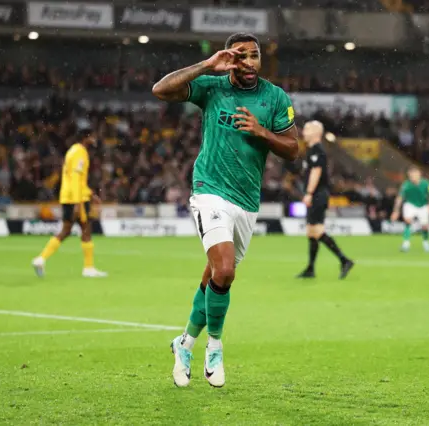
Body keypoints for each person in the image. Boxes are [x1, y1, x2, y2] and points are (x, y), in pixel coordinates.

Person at [152, 32, 299, 388]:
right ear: (230, 58)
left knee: (214, 278)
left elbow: (293, 149)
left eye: (255, 56)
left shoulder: (275, 98)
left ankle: (184, 342)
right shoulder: (212, 87)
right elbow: (161, 89)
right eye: (241, 56)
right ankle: (214, 346)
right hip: (210, 191)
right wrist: (206, 64)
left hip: (246, 202)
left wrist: (261, 132)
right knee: (226, 271)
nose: (249, 63)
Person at [32, 129, 107, 278]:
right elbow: (75, 178)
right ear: (86, 138)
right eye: (92, 136)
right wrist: (78, 204)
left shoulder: (72, 151)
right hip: (76, 198)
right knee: (86, 229)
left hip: (68, 197)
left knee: (66, 230)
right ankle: (88, 268)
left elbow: (75, 179)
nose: (95, 139)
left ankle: (41, 259)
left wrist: (91, 194)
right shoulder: (80, 152)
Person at [296, 120, 354, 279]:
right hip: (317, 194)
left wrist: (309, 193)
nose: (304, 131)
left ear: (316, 132)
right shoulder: (311, 150)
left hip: (318, 194)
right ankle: (310, 268)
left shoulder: (317, 150)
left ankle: (344, 260)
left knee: (317, 231)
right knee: (311, 232)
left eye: (307, 129)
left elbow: (316, 172)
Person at [390, 167, 429, 253]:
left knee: (425, 226)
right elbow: (399, 198)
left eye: (414, 175)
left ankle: (426, 242)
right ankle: (406, 244)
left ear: (419, 175)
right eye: (411, 175)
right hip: (410, 204)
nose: (412, 177)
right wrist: (396, 211)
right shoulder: (406, 185)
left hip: (423, 205)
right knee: (408, 221)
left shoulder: (427, 183)